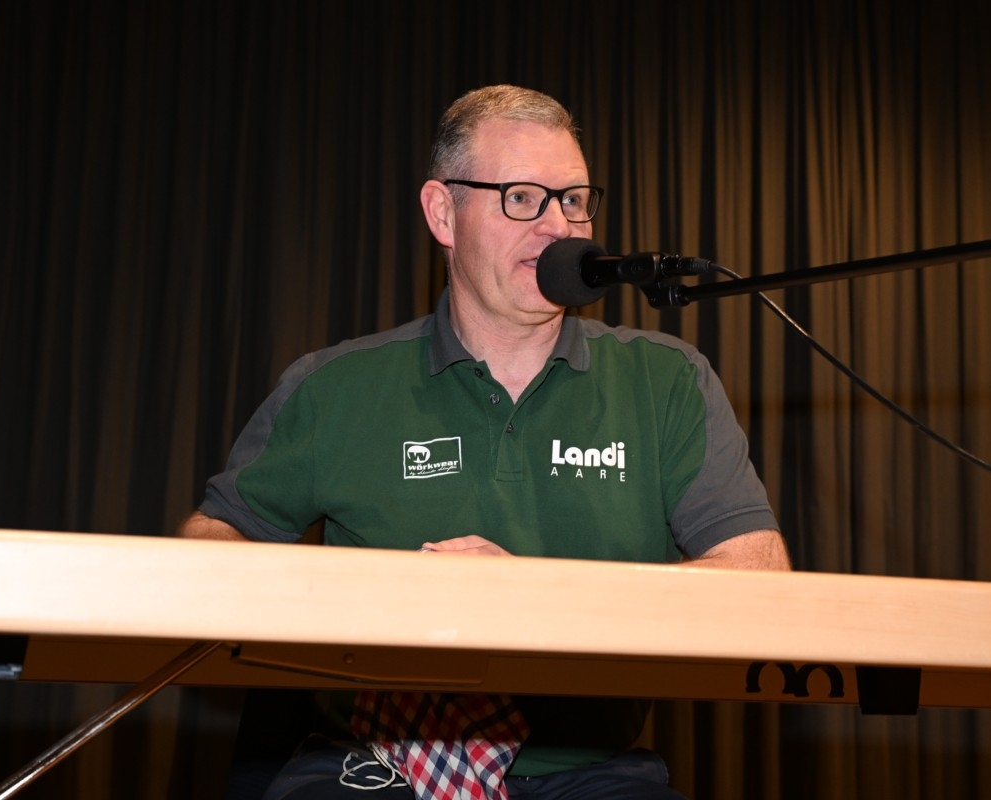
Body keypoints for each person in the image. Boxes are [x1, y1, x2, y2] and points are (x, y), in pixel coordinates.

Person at [178, 84, 791, 799]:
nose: (558, 226)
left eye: (573, 200)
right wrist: (362, 600)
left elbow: (759, 578)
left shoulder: (666, 380)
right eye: (522, 198)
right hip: (371, 766)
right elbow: (208, 549)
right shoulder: (332, 387)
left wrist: (534, 597)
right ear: (443, 212)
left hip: (589, 775)